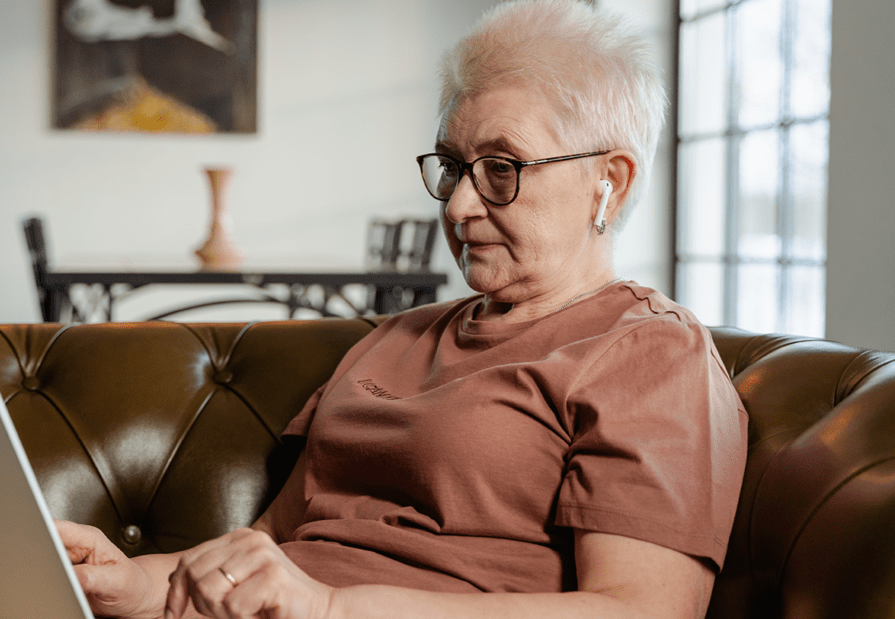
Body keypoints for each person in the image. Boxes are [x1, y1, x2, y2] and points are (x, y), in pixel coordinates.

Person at [57, 1, 748, 618]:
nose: (458, 204)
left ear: (610, 181)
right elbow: (267, 546)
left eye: (502, 168)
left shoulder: (649, 350)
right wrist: (137, 583)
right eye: (452, 165)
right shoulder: (397, 336)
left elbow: (644, 609)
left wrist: (332, 607)